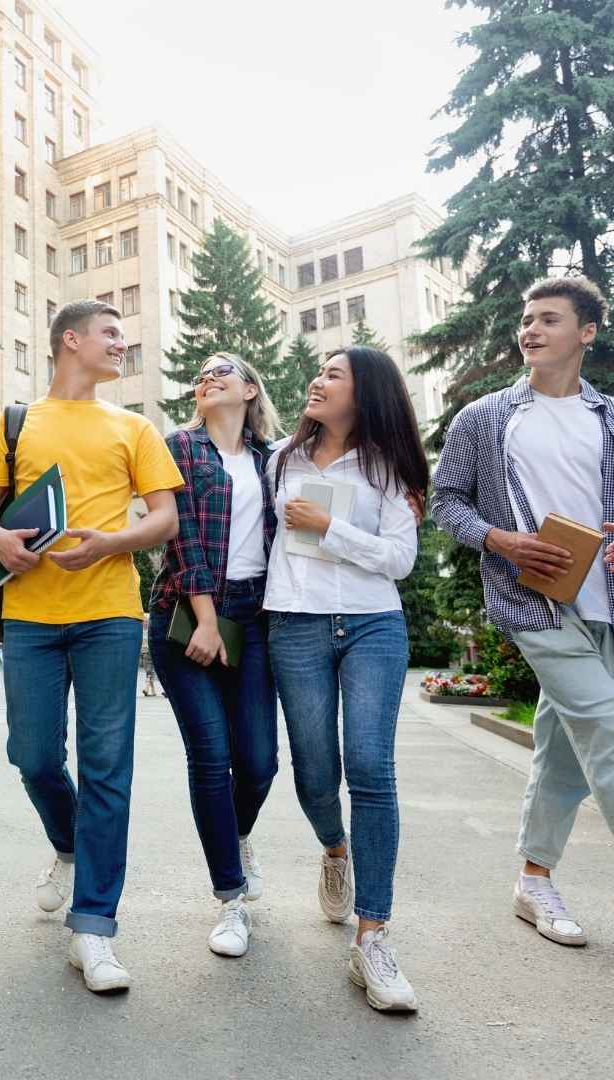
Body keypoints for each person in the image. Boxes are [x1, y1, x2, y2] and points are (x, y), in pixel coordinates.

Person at [0, 299, 182, 993]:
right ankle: (67, 843)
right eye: (111, 333)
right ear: (71, 340)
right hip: (28, 616)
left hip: (110, 616)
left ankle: (94, 927)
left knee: (107, 767)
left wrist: (111, 544)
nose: (123, 344)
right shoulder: (18, 421)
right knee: (31, 755)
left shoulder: (134, 427)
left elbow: (164, 520)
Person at [431, 276, 614, 949]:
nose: (531, 329)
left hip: (605, 602)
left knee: (565, 749)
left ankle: (534, 879)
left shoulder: (609, 417)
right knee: (608, 731)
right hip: (533, 604)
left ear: (586, 332)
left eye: (549, 319)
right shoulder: (485, 417)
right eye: (526, 320)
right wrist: (500, 540)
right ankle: (535, 880)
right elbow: (448, 500)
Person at [265, 346, 427, 1013]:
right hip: (295, 625)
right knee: (312, 773)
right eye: (320, 372)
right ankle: (335, 849)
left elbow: (399, 560)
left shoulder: (391, 466)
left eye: (334, 374)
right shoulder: (280, 457)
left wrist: (332, 528)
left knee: (369, 766)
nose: (317, 380)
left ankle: (373, 937)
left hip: (370, 626)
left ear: (367, 393)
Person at [149, 352, 280, 959]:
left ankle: (237, 834)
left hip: (254, 618)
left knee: (258, 763)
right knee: (211, 756)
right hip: (187, 615)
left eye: (222, 370)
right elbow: (184, 537)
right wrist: (205, 619)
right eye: (200, 372)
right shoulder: (179, 447)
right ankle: (231, 899)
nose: (208, 376)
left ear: (250, 389)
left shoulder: (272, 460)